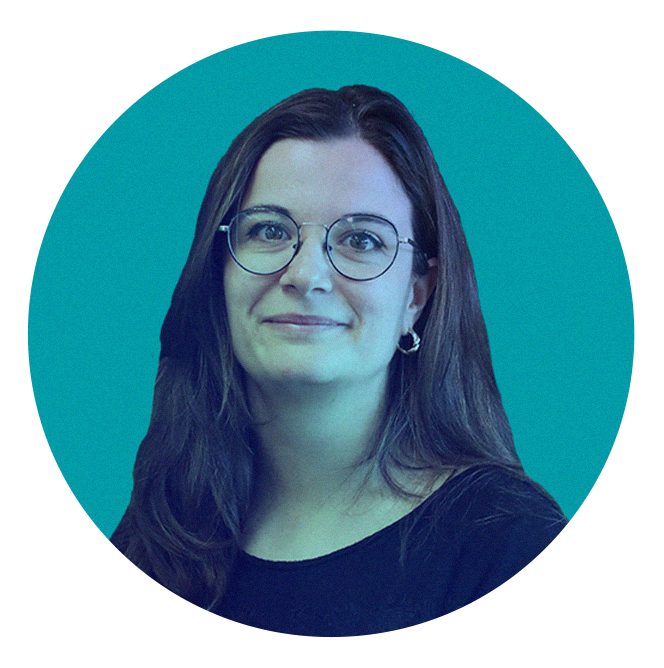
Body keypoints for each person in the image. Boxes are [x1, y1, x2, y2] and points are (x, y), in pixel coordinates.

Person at [111, 84, 567, 636]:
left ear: (415, 296)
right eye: (270, 231)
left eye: (361, 240)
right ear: (219, 274)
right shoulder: (161, 529)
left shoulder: (508, 542)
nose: (306, 275)